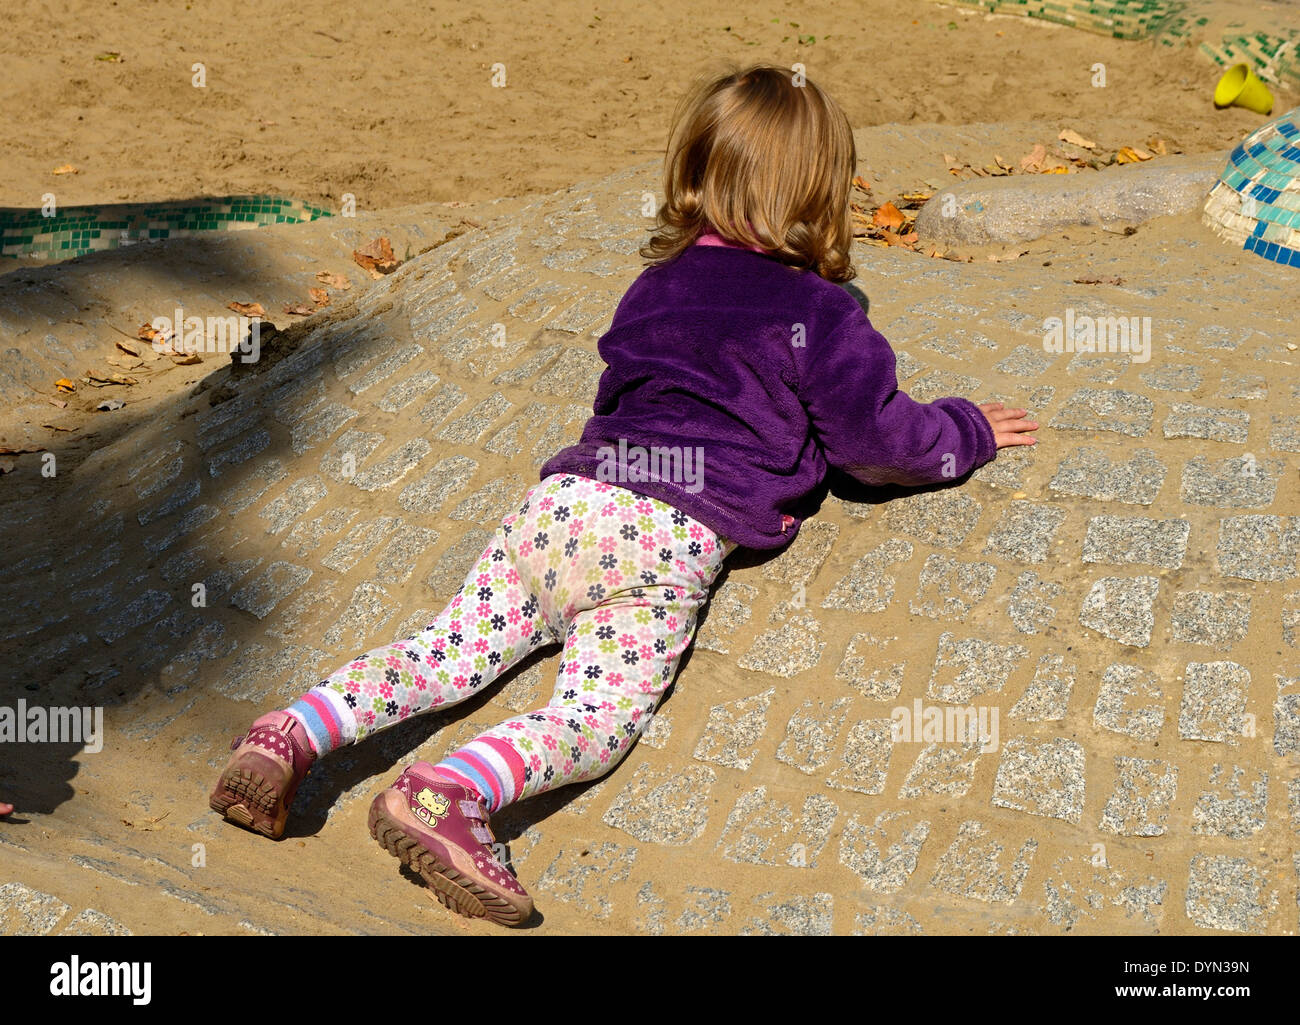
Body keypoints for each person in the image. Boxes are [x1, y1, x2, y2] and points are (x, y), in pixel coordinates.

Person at [209, 63, 1038, 927]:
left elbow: (619, 395)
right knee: (593, 716)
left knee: (444, 651)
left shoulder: (656, 287)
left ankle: (293, 731)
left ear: (696, 173)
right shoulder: (822, 313)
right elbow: (876, 445)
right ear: (822, 191)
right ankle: (450, 791)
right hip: (660, 540)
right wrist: (966, 431)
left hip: (563, 505)